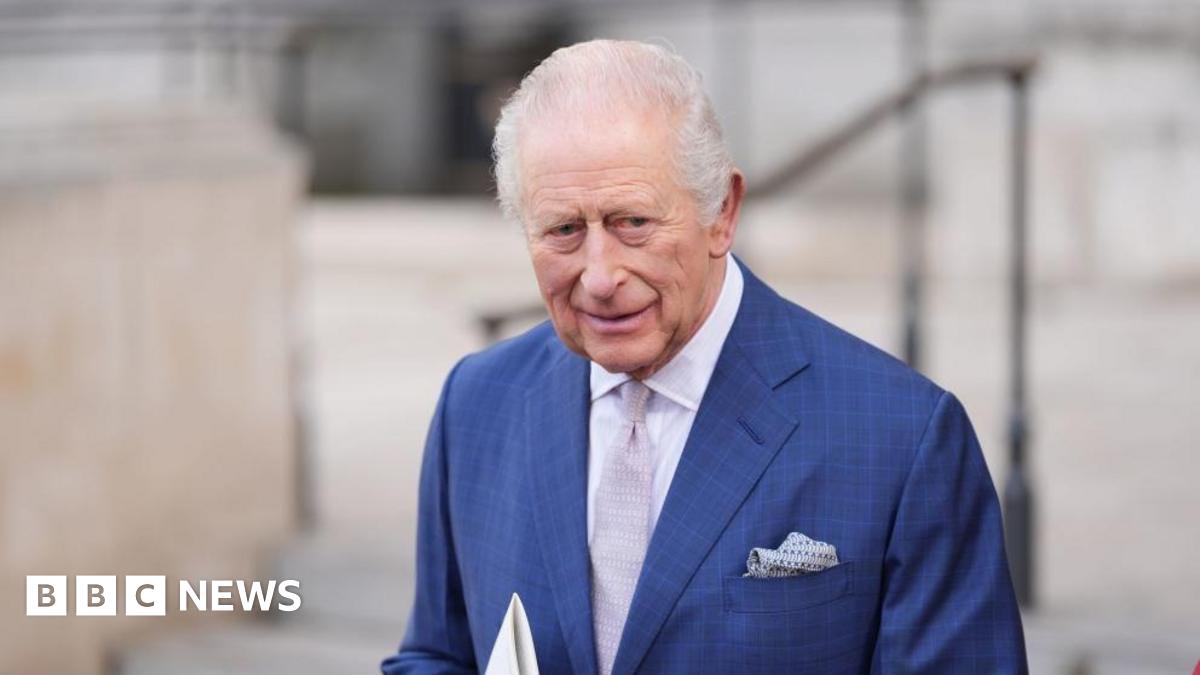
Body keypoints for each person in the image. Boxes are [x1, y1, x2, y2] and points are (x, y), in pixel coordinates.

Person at [382, 40, 1026, 674]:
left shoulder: (902, 437)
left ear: (723, 213)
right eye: (564, 230)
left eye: (632, 222)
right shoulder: (477, 403)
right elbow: (437, 654)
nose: (600, 275)